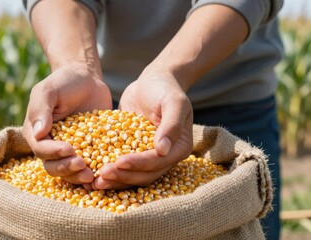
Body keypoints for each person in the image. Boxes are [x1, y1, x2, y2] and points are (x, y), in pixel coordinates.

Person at [21, 1, 284, 239]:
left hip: (234, 100)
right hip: (108, 102)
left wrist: (170, 71)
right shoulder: (103, 119)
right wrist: (78, 66)